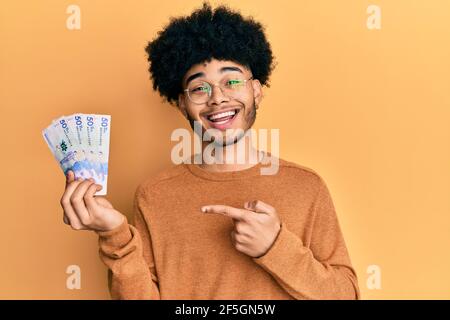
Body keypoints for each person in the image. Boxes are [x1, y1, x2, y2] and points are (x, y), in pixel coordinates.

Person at [60, 2, 360, 300]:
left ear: (256, 91)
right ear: (181, 103)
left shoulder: (306, 187)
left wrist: (275, 247)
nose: (217, 98)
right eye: (200, 88)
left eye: (231, 81)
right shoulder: (154, 196)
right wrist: (114, 234)